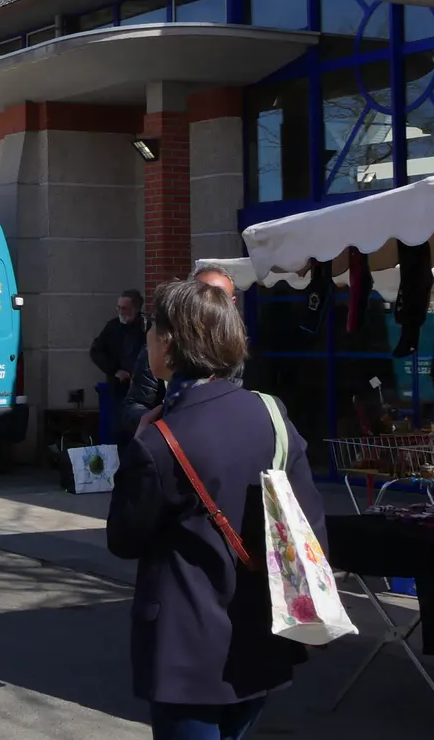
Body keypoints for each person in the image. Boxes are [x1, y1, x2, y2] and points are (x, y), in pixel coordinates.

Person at [107, 280, 325, 740]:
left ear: (168, 343)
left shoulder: (159, 439)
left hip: (185, 651)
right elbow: (310, 524)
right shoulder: (271, 414)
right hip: (263, 634)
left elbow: (123, 538)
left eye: (151, 332)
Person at [119, 266, 245, 438]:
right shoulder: (159, 350)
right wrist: (162, 422)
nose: (206, 304)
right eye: (200, 294)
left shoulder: (244, 349)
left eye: (218, 298)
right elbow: (133, 405)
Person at [91, 289, 147, 404]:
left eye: (124, 308)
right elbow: (96, 351)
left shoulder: (146, 327)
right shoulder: (113, 326)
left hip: (142, 387)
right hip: (118, 386)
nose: (120, 312)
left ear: (135, 309)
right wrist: (114, 370)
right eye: (118, 308)